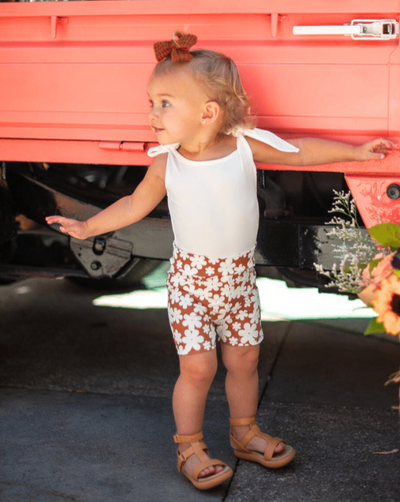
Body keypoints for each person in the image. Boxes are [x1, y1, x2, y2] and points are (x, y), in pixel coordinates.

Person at [46, 33, 397, 491]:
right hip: (191, 284)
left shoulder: (244, 147)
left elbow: (301, 151)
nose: (152, 114)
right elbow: (133, 206)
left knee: (245, 360)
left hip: (237, 282)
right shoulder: (167, 162)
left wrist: (353, 152)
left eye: (165, 103)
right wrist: (88, 227)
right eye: (151, 102)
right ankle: (188, 446)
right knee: (198, 369)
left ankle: (244, 432)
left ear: (208, 113)